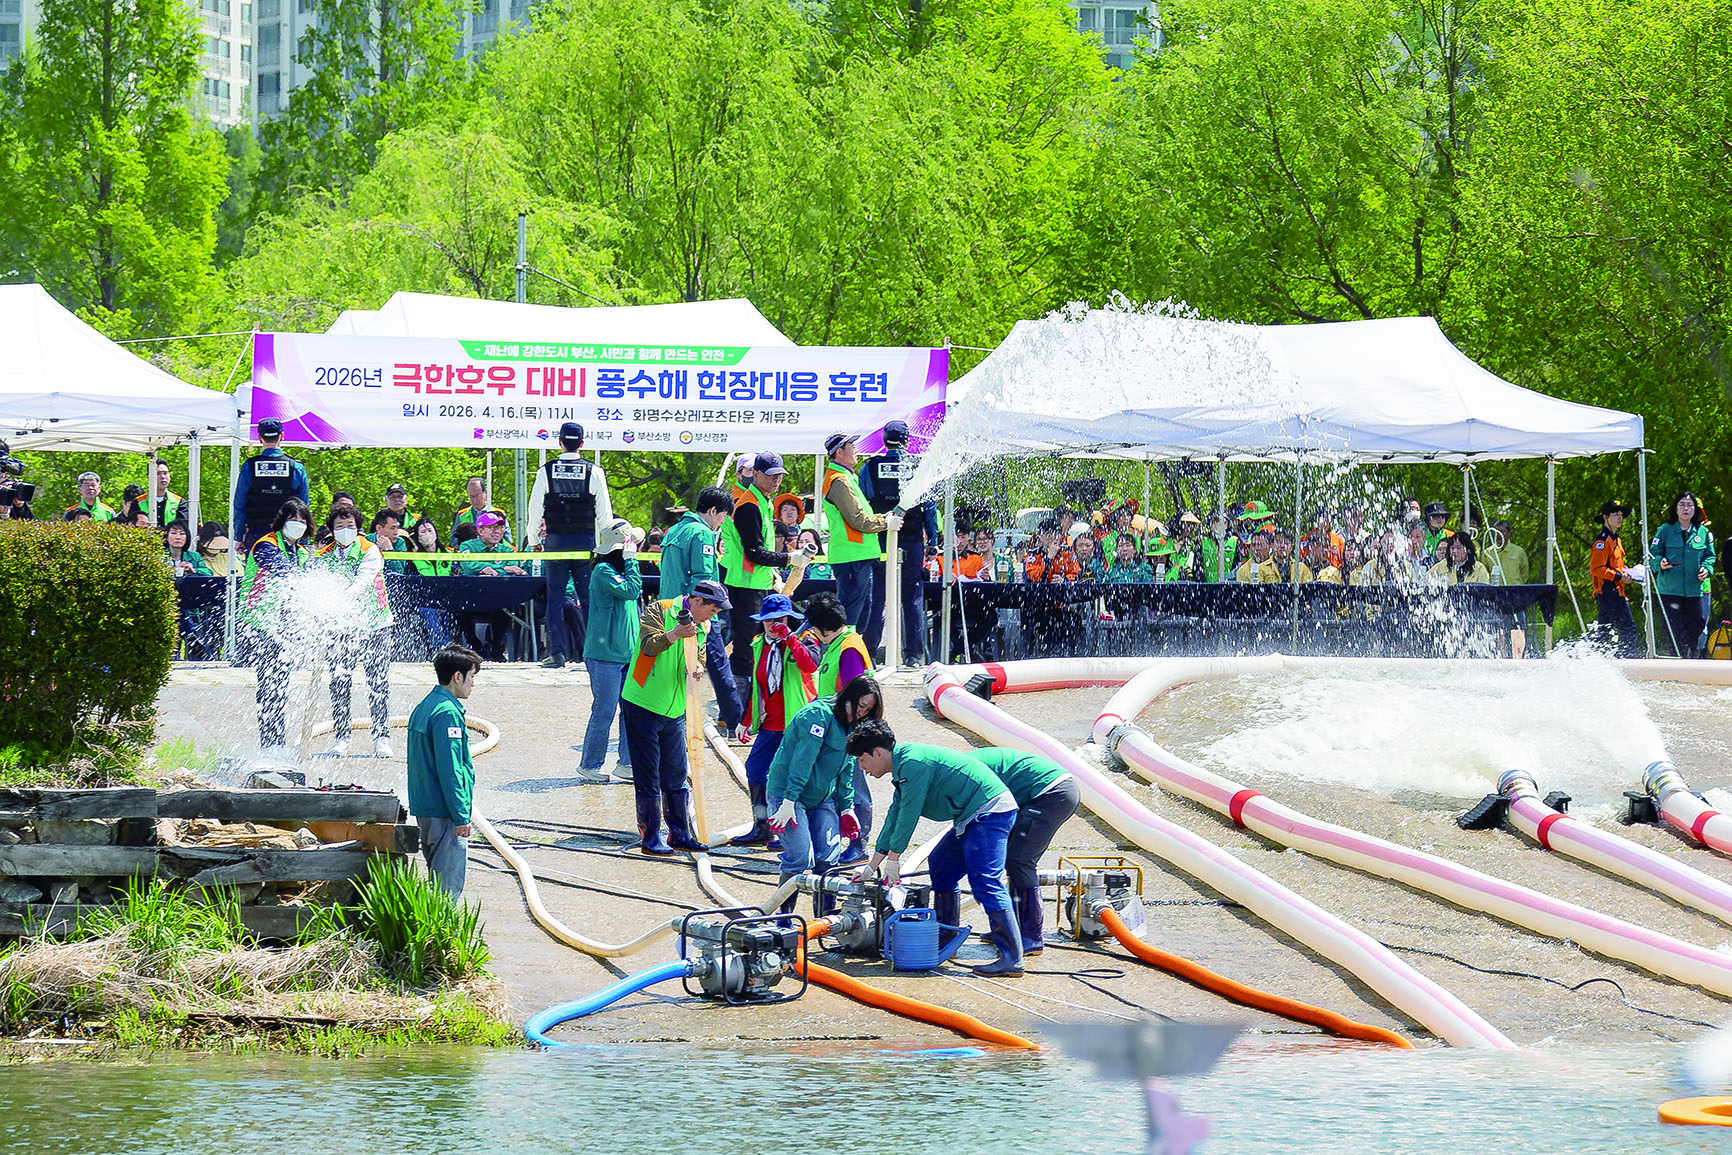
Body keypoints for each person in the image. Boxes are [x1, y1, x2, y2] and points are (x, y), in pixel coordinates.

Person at [847, 722, 1024, 978]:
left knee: (985, 880)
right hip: (969, 815)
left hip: (990, 810)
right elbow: (894, 815)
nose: (862, 768)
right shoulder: (901, 766)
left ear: (878, 752)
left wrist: (894, 860)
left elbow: (909, 814)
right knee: (941, 864)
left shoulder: (913, 763)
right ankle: (947, 938)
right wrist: (872, 865)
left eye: (862, 760)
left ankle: (1012, 957)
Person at [620, 579, 731, 855]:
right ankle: (650, 838)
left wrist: (698, 668)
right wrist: (675, 634)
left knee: (676, 773)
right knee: (648, 774)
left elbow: (700, 656)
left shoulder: (703, 626)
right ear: (696, 602)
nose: (713, 616)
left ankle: (679, 834)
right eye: (713, 609)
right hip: (643, 701)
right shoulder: (659, 610)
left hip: (675, 708)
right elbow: (648, 646)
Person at [765, 676, 884, 908]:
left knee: (829, 859)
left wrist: (847, 807)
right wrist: (788, 802)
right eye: (860, 706)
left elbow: (848, 766)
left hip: (822, 797)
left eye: (867, 710)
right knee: (800, 857)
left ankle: (826, 921)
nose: (861, 713)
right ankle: (784, 920)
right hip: (789, 795)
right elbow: (802, 761)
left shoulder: (853, 726)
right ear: (847, 696)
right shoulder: (817, 716)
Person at [965, 747, 1081, 956]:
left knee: (1019, 860)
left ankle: (1031, 937)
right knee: (1008, 857)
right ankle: (1012, 929)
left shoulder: (964, 772)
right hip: (1035, 793)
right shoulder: (960, 767)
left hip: (1051, 793)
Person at [732, 593, 820, 846]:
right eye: (768, 620)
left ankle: (790, 834)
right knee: (756, 772)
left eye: (779, 619)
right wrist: (745, 720)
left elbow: (810, 665)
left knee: (790, 779)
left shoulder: (804, 638)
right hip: (771, 724)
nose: (773, 624)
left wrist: (789, 638)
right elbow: (756, 686)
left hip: (797, 724)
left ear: (789, 618)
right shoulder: (759, 643)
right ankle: (762, 826)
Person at [660, 486, 744, 740]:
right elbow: (705, 580)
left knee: (674, 669)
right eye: (722, 517)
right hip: (698, 612)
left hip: (671, 610)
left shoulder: (673, 531)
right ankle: (736, 722)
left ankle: (672, 720)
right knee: (718, 666)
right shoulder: (702, 533)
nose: (721, 524)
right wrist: (711, 612)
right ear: (713, 510)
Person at [527, 422, 613, 669]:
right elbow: (604, 515)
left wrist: (534, 540)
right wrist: (606, 546)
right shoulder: (594, 472)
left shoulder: (546, 471)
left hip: (555, 542)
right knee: (588, 598)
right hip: (585, 542)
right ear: (582, 444)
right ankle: (592, 652)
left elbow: (535, 511)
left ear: (560, 442)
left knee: (555, 596)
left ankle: (557, 653)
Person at [801, 592, 876, 861]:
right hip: (837, 728)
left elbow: (855, 696)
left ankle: (859, 847)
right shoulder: (840, 643)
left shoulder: (848, 648)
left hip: (850, 732)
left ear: (821, 629)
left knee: (854, 788)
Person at [315, 506, 394, 757]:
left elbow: (362, 582)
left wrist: (339, 602)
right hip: (341, 629)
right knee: (339, 681)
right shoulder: (324, 554)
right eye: (339, 526)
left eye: (350, 526)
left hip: (375, 626)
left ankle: (381, 737)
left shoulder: (370, 551)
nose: (345, 531)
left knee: (378, 682)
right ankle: (341, 738)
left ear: (358, 528)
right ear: (331, 529)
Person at [859, 419, 939, 665]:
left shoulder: (870, 467)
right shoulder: (919, 466)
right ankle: (913, 656)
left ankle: (869, 653)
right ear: (907, 440)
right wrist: (933, 540)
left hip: (880, 539)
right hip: (912, 539)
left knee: (877, 595)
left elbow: (863, 503)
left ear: (884, 441)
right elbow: (930, 507)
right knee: (912, 596)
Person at [407, 645, 482, 895]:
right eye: (472, 676)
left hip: (426, 807)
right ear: (457, 677)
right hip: (444, 811)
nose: (473, 683)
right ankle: (442, 933)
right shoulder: (447, 713)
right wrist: (461, 815)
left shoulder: (426, 705)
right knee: (447, 888)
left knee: (436, 880)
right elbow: (450, 769)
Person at [241, 499, 313, 753]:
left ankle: (277, 741)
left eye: (303, 521)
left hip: (286, 626)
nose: (298, 525)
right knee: (270, 684)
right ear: (282, 521)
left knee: (281, 683)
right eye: (294, 519)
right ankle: (270, 743)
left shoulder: (303, 553)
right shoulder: (266, 544)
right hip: (261, 623)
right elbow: (283, 571)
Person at [575, 518, 643, 784]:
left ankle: (626, 762)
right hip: (604, 657)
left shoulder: (619, 571)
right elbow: (632, 590)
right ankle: (590, 764)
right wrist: (632, 560)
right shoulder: (603, 571)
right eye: (630, 544)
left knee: (631, 709)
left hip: (626, 654)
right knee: (604, 711)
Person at [720, 452, 793, 687]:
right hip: (744, 585)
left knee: (751, 643)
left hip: (755, 582)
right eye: (771, 475)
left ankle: (745, 704)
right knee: (745, 648)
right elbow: (754, 552)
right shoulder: (748, 506)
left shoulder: (762, 502)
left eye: (779, 475)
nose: (776, 480)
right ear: (757, 474)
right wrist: (788, 558)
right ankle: (735, 709)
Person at [819, 430, 894, 639]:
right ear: (839, 452)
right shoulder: (839, 480)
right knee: (850, 617)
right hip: (851, 556)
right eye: (851, 446)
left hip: (857, 555)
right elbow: (858, 520)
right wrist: (886, 522)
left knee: (859, 615)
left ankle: (849, 661)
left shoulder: (845, 477)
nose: (856, 450)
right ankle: (841, 662)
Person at [1650, 492, 1716, 658]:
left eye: (1690, 505)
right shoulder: (1664, 531)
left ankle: (1690, 656)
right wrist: (1660, 562)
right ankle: (1677, 658)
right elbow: (1652, 555)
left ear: (1695, 509)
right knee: (1674, 628)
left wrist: (1706, 569)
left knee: (1698, 623)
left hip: (1694, 590)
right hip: (1670, 590)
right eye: (1682, 505)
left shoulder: (1702, 533)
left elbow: (1710, 556)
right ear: (1676, 509)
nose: (1686, 508)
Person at [233, 419, 310, 549]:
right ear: (282, 436)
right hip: (289, 534)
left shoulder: (249, 467)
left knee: (257, 570)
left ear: (259, 438)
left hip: (257, 534)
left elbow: (239, 505)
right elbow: (304, 507)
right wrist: (304, 541)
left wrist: (239, 537)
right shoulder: (296, 467)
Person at [457, 512, 523, 660]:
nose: (497, 531)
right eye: (492, 528)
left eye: (500, 528)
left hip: (496, 600)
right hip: (471, 599)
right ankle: (476, 646)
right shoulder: (467, 545)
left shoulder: (506, 549)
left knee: (506, 611)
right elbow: (468, 566)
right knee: (457, 610)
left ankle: (496, 648)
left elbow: (514, 567)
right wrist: (501, 568)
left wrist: (496, 569)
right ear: (480, 531)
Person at [1590, 499, 1642, 657]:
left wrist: (1631, 573)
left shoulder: (1616, 540)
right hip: (1608, 591)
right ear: (1605, 517)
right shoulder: (1602, 541)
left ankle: (1594, 658)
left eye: (1621, 515)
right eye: (1615, 515)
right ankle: (1625, 661)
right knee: (1628, 629)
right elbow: (1596, 569)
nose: (1620, 518)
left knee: (1604, 631)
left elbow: (1617, 565)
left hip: (1616, 590)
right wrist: (1619, 576)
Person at [406, 516, 455, 651]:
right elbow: (413, 585)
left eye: (429, 530)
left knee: (451, 611)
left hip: (447, 599)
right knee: (428, 611)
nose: (427, 534)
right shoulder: (413, 557)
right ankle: (439, 648)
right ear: (417, 537)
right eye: (422, 532)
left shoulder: (450, 553)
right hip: (424, 600)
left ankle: (450, 646)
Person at [452, 476, 512, 547]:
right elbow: (453, 540)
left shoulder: (499, 514)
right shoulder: (462, 514)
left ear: (485, 492)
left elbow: (508, 539)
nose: (475, 500)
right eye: (471, 496)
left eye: (478, 495)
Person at [1483, 520, 1529, 587]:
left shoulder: (1519, 551)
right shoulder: (1487, 553)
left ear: (1509, 533)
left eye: (1502, 531)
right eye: (1496, 532)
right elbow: (1484, 573)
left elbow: (1524, 573)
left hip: (1515, 590)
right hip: (1495, 592)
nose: (1499, 534)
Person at [370, 510, 409, 575]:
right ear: (379, 528)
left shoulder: (400, 542)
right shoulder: (366, 540)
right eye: (392, 528)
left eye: (397, 527)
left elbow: (398, 571)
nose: (396, 532)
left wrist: (389, 550)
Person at [153, 461, 184, 527]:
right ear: (148, 477)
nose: (163, 477)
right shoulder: (138, 502)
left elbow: (183, 528)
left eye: (165, 473)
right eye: (158, 474)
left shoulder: (180, 502)